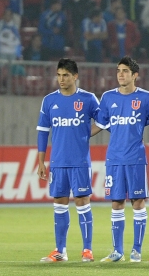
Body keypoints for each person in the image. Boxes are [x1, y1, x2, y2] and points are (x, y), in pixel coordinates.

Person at [94, 57, 149, 262]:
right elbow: (98, 125)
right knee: (116, 203)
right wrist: (75, 135)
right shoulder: (107, 98)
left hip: (135, 159)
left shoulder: (146, 98)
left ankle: (136, 250)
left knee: (138, 203)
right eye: (118, 70)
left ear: (135, 75)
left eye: (125, 71)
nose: (120, 74)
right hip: (114, 159)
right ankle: (117, 251)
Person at [37, 58, 100, 262]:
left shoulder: (88, 99)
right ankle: (60, 251)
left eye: (65, 75)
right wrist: (41, 162)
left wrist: (84, 134)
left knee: (82, 201)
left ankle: (87, 250)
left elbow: (104, 121)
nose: (61, 79)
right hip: (57, 162)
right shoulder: (49, 101)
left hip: (80, 161)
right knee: (60, 203)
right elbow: (42, 132)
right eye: (59, 75)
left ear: (75, 76)